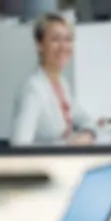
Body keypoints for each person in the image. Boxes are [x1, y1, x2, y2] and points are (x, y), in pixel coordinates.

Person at [10, 13, 98, 146]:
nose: (64, 46)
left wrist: (89, 133)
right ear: (39, 45)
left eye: (68, 39)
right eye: (56, 39)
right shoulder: (33, 90)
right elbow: (19, 146)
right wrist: (67, 144)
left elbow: (85, 119)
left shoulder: (61, 83)